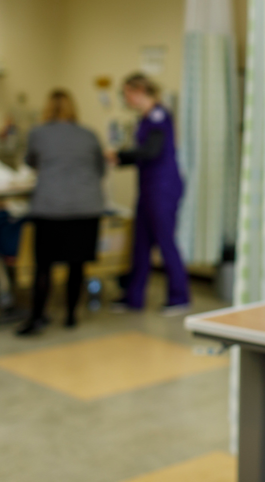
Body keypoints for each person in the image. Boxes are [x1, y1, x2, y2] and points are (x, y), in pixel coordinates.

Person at [17, 89, 105, 335]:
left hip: (51, 208)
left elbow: (31, 163)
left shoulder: (37, 133)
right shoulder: (89, 134)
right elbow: (100, 169)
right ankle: (70, 316)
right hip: (86, 207)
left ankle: (37, 317)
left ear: (47, 108)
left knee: (43, 265)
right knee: (76, 264)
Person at [107, 73, 189, 315]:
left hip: (163, 189)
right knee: (140, 243)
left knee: (165, 241)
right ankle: (134, 297)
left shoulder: (159, 115)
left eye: (127, 93)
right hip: (148, 188)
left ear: (140, 90)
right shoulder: (143, 119)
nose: (125, 98)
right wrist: (120, 159)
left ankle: (179, 296)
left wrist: (121, 156)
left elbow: (151, 151)